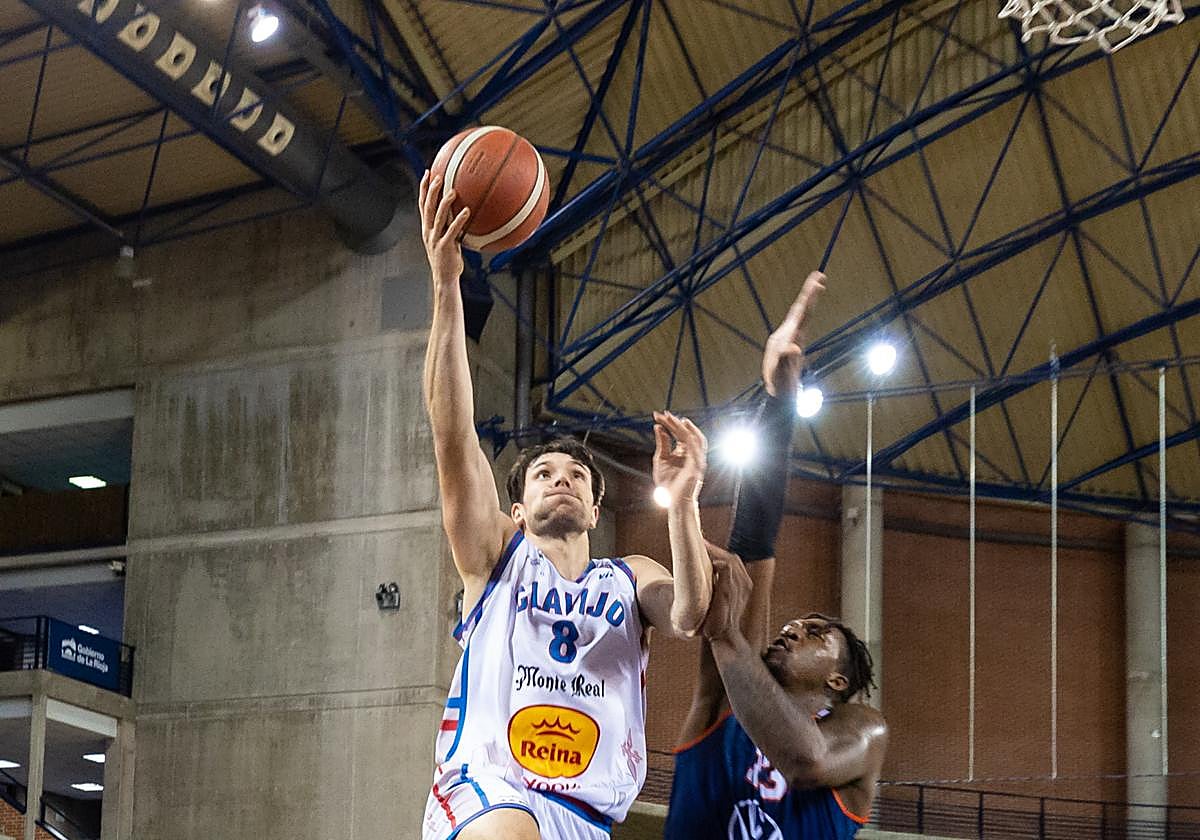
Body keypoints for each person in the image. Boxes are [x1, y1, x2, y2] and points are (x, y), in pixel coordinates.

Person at [417, 171, 714, 840]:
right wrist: (445, 287)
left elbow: (693, 616)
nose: (563, 478)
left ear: (593, 507)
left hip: (588, 815)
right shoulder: (495, 555)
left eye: (578, 473)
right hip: (489, 788)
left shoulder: (629, 575)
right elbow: (451, 431)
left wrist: (684, 506)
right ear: (516, 509)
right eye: (544, 472)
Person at [664, 273, 888, 840]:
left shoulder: (861, 729)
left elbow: (806, 761)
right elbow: (753, 540)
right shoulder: (723, 697)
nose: (792, 627)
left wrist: (727, 636)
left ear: (838, 682)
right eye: (797, 624)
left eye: (815, 633)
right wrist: (779, 406)